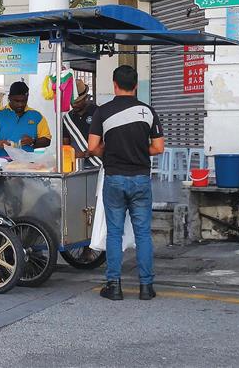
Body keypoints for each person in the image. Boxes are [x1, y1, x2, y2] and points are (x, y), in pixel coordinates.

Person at [88, 65, 164, 301]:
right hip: (141, 178)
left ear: (114, 84)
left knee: (115, 233)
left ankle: (114, 286)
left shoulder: (103, 112)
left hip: (115, 178)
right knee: (143, 234)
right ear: (136, 85)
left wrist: (109, 154)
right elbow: (158, 148)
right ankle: (146, 287)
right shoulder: (148, 111)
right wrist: (139, 153)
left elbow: (92, 147)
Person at [0, 81, 52, 158]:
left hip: (30, 164)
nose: (20, 104)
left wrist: (33, 141)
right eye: (16, 101)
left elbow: (47, 140)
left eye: (23, 101)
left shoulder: (36, 116)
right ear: (9, 98)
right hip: (2, 163)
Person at [63, 80, 97, 156]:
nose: (74, 105)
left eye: (77, 102)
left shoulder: (98, 113)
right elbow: (65, 143)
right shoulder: (67, 119)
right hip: (75, 163)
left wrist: (86, 154)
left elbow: (106, 140)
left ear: (86, 98)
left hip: (98, 163)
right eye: (71, 102)